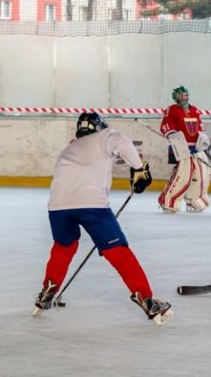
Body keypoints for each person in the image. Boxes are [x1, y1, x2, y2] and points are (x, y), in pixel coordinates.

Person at [34, 112, 173, 325]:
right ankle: (147, 300)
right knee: (118, 253)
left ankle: (48, 291)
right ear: (99, 127)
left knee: (63, 247)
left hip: (58, 206)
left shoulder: (69, 148)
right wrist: (138, 169)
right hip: (92, 205)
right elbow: (123, 142)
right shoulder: (104, 136)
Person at [158, 85, 211, 213]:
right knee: (183, 175)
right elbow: (166, 126)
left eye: (184, 95)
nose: (183, 98)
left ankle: (193, 199)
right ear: (175, 97)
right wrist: (177, 140)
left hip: (196, 149)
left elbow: (200, 127)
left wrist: (202, 139)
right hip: (181, 150)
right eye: (180, 95)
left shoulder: (195, 110)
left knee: (202, 174)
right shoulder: (172, 110)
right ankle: (168, 201)